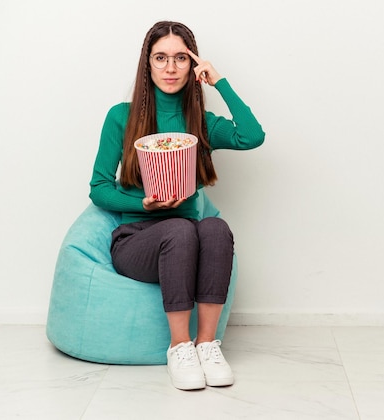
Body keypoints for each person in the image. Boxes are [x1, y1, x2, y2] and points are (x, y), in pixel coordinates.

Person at [89, 21, 265, 391]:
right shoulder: (120, 117)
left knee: (215, 228)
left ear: (193, 64)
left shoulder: (201, 123)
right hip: (136, 240)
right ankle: (179, 346)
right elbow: (99, 188)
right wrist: (145, 204)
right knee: (182, 228)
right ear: (148, 63)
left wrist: (219, 81)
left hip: (187, 243)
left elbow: (252, 136)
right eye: (161, 57)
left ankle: (206, 344)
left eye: (180, 58)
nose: (170, 68)